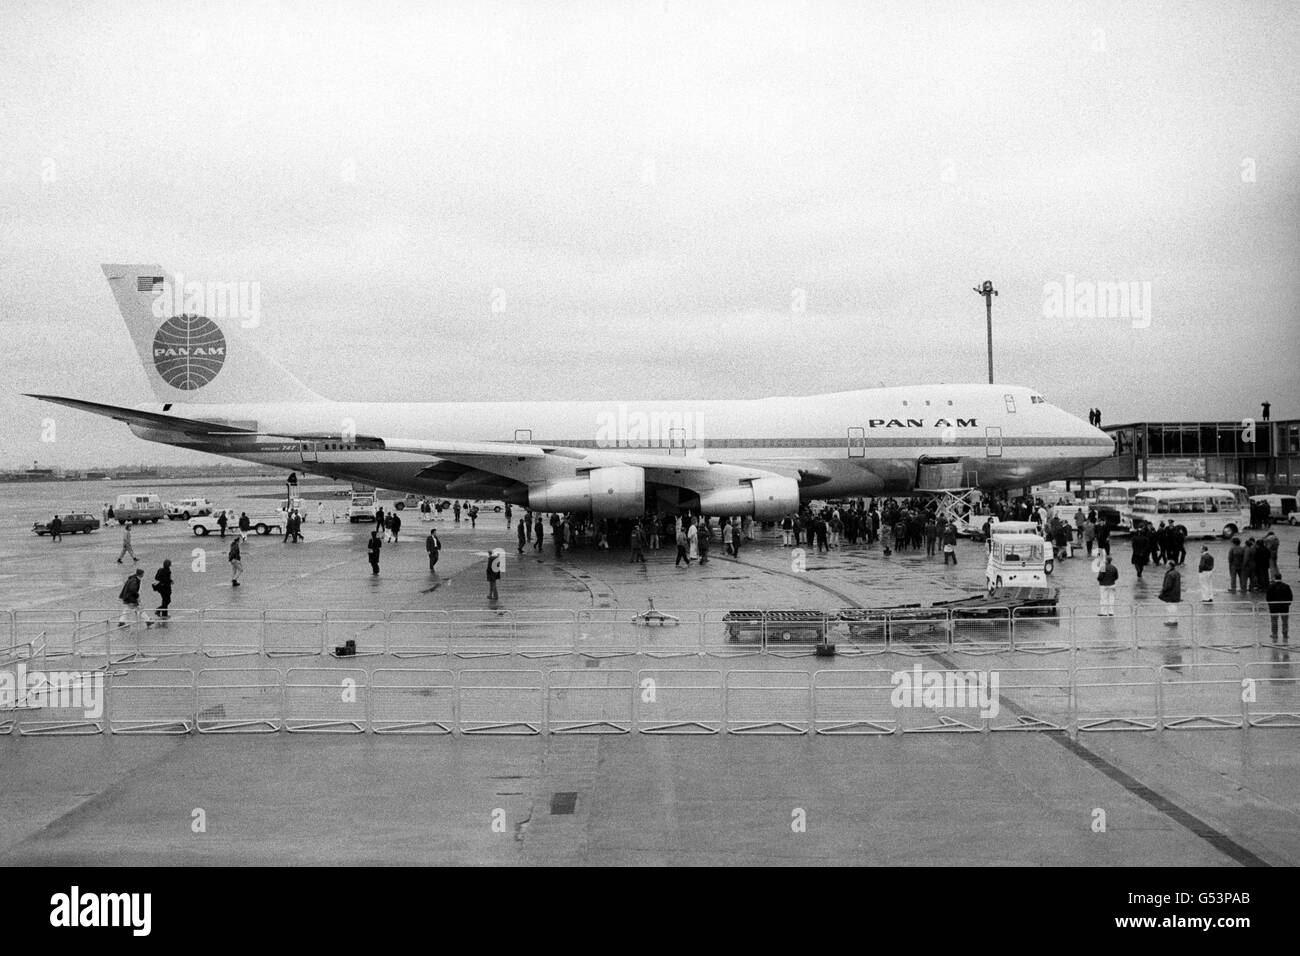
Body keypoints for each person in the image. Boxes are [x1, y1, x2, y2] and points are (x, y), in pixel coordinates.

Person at [1265, 573, 1292, 644]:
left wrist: (1270, 605)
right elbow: (1290, 597)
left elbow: (1268, 598)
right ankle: (1285, 635)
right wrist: (1288, 604)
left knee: (1274, 621)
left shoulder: (1270, 587)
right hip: (1284, 607)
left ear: (1274, 578)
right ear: (1281, 578)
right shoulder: (1286, 586)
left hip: (1274, 607)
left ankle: (1274, 635)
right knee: (1285, 622)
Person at [1158, 560, 1182, 626]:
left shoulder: (1170, 574)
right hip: (1176, 593)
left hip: (1170, 594)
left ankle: (1171, 621)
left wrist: (1162, 591)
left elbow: (1167, 585)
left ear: (1170, 565)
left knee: (1170, 607)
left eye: (1167, 564)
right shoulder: (1177, 573)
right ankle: (1174, 620)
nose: (1166, 565)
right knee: (1174, 607)